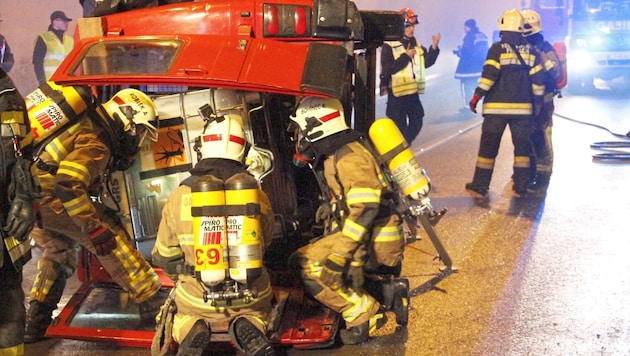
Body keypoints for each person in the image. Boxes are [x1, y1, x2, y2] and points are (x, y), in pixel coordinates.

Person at [24, 86, 165, 343]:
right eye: (141, 132)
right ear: (128, 123)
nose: (140, 142)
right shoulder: (96, 143)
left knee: (59, 250)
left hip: (29, 200)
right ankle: (152, 302)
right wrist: (94, 228)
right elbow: (67, 183)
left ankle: (35, 321)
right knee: (111, 236)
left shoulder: (84, 126)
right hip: (50, 201)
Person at [287, 97, 412, 345]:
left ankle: (361, 313)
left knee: (309, 265)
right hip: (371, 236)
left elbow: (365, 209)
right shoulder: (341, 150)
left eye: (303, 129)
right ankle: (390, 291)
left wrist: (340, 257)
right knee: (302, 256)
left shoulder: (348, 158)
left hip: (377, 242)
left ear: (316, 125)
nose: (300, 136)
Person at [151, 112, 276, 356]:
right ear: (243, 151)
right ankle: (249, 323)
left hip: (199, 297)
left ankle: (191, 327)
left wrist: (185, 275)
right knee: (259, 311)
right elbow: (265, 243)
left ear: (203, 147)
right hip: (251, 292)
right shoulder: (257, 195)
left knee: (182, 314)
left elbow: (164, 255)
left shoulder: (178, 196)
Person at [465, 9, 546, 197]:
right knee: (522, 151)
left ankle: (480, 184)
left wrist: (476, 96)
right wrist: (537, 105)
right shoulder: (531, 51)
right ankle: (521, 185)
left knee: (488, 148)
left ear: (502, 26)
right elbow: (538, 82)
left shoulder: (496, 49)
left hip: (496, 110)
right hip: (523, 111)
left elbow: (489, 77)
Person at [0, 68, 36, 355]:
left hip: (4, 230)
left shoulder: (8, 95)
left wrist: (24, 197)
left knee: (10, 309)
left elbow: (23, 154)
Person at [380, 7, 440, 144]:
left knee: (417, 120)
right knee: (399, 128)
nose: (411, 29)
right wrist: (405, 57)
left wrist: (434, 48)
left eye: (413, 26)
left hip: (412, 93)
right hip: (397, 95)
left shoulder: (416, 44)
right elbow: (387, 69)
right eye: (408, 26)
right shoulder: (390, 45)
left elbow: (426, 62)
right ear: (400, 27)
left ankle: (404, 146)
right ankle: (400, 153)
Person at [522, 9, 562, 189]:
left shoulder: (544, 48)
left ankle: (544, 174)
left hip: (543, 102)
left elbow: (555, 71)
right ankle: (528, 172)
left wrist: (539, 56)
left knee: (543, 136)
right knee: (526, 137)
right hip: (525, 102)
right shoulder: (518, 47)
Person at [453, 18, 488, 111]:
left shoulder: (470, 37)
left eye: (465, 26)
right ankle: (487, 100)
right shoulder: (482, 35)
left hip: (469, 68)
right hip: (480, 66)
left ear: (468, 27)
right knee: (478, 85)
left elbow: (467, 51)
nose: (464, 29)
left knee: (467, 86)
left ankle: (467, 108)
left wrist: (459, 52)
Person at [32, 11, 74, 85]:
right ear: (55, 21)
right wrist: (41, 80)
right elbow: (37, 62)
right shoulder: (44, 38)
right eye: (64, 21)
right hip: (50, 82)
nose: (67, 23)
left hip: (67, 81)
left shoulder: (70, 40)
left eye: (67, 21)